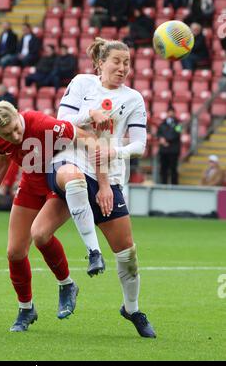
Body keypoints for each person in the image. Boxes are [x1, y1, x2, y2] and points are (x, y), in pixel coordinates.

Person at [30, 37, 156, 338]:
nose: (123, 68)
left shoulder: (134, 99)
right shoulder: (82, 84)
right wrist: (90, 115)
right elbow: (62, 122)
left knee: (127, 253)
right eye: (117, 61)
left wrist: (118, 152)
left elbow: (139, 143)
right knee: (43, 228)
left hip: (109, 176)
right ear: (100, 63)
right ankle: (91, 255)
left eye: (127, 63)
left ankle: (132, 309)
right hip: (70, 162)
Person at [0, 101, 104, 331]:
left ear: (18, 115)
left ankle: (66, 284)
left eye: (16, 128)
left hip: (55, 184)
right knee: (15, 252)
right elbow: (3, 159)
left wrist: (100, 181)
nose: (15, 135)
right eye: (7, 133)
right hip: (31, 185)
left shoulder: (42, 125)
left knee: (40, 235)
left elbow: (86, 138)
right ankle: (26, 309)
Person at [157, 106, 182, 185]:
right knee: (163, 169)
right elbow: (158, 134)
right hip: (164, 151)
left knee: (173, 169)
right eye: (169, 112)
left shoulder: (178, 124)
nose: (170, 114)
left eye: (172, 112)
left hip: (173, 150)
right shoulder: (162, 124)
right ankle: (163, 185)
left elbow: (177, 134)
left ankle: (174, 186)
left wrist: (166, 140)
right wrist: (161, 139)